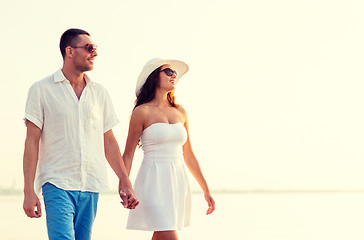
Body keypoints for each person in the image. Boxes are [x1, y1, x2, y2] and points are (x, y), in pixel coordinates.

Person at [22, 28, 138, 240]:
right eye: (89, 48)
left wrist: (125, 180)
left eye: (95, 49)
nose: (94, 53)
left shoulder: (100, 93)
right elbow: (31, 142)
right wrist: (29, 190)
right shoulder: (41, 89)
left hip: (91, 185)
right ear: (70, 51)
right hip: (57, 183)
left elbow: (109, 141)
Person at [122, 58, 215, 240]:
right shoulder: (141, 112)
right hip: (153, 180)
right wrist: (124, 186)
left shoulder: (181, 111)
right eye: (168, 72)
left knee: (161, 233)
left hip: (177, 181)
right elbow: (128, 154)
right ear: (154, 77)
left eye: (175, 73)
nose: (174, 76)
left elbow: (188, 154)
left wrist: (205, 188)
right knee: (169, 233)